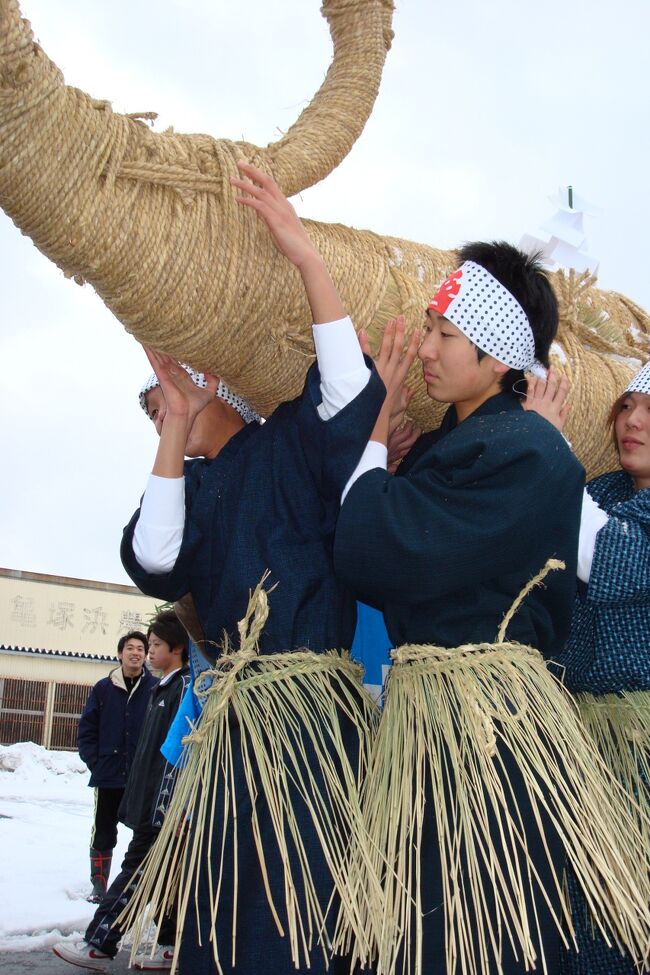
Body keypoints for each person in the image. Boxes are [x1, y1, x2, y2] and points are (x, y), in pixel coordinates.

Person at [118, 163, 415, 975]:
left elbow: (349, 393)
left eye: (171, 389)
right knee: (219, 919)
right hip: (238, 729)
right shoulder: (194, 486)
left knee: (294, 921)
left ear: (218, 375)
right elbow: (154, 558)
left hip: (309, 727)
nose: (162, 398)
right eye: (155, 398)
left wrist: (306, 259)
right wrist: (174, 427)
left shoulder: (290, 441)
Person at [333, 246, 650, 974]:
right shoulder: (468, 447)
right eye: (429, 326)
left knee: (473, 931)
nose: (426, 347)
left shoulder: (530, 454)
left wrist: (375, 422)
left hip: (486, 740)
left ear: (498, 351)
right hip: (433, 729)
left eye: (445, 334)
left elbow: (375, 548)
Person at [524, 360, 650, 975]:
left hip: (638, 752)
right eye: (626, 406)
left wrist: (546, 446)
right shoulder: (600, 491)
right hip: (578, 743)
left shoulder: (598, 508)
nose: (632, 421)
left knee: (626, 915)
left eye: (649, 411)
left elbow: (604, 554)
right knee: (574, 915)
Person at [53, 610, 191, 972]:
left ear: (176, 648)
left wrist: (169, 807)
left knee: (137, 871)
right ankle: (169, 944)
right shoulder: (161, 688)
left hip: (163, 808)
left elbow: (180, 755)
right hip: (146, 798)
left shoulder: (183, 689)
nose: (147, 652)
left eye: (155, 645)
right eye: (144, 646)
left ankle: (99, 943)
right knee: (169, 874)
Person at [77, 631, 158, 902]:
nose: (136, 653)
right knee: (103, 829)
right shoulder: (103, 688)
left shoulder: (155, 688)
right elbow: (87, 730)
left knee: (143, 831)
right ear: (120, 653)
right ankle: (99, 885)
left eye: (140, 649)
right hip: (108, 773)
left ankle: (138, 885)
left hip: (141, 776)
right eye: (130, 648)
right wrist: (95, 763)